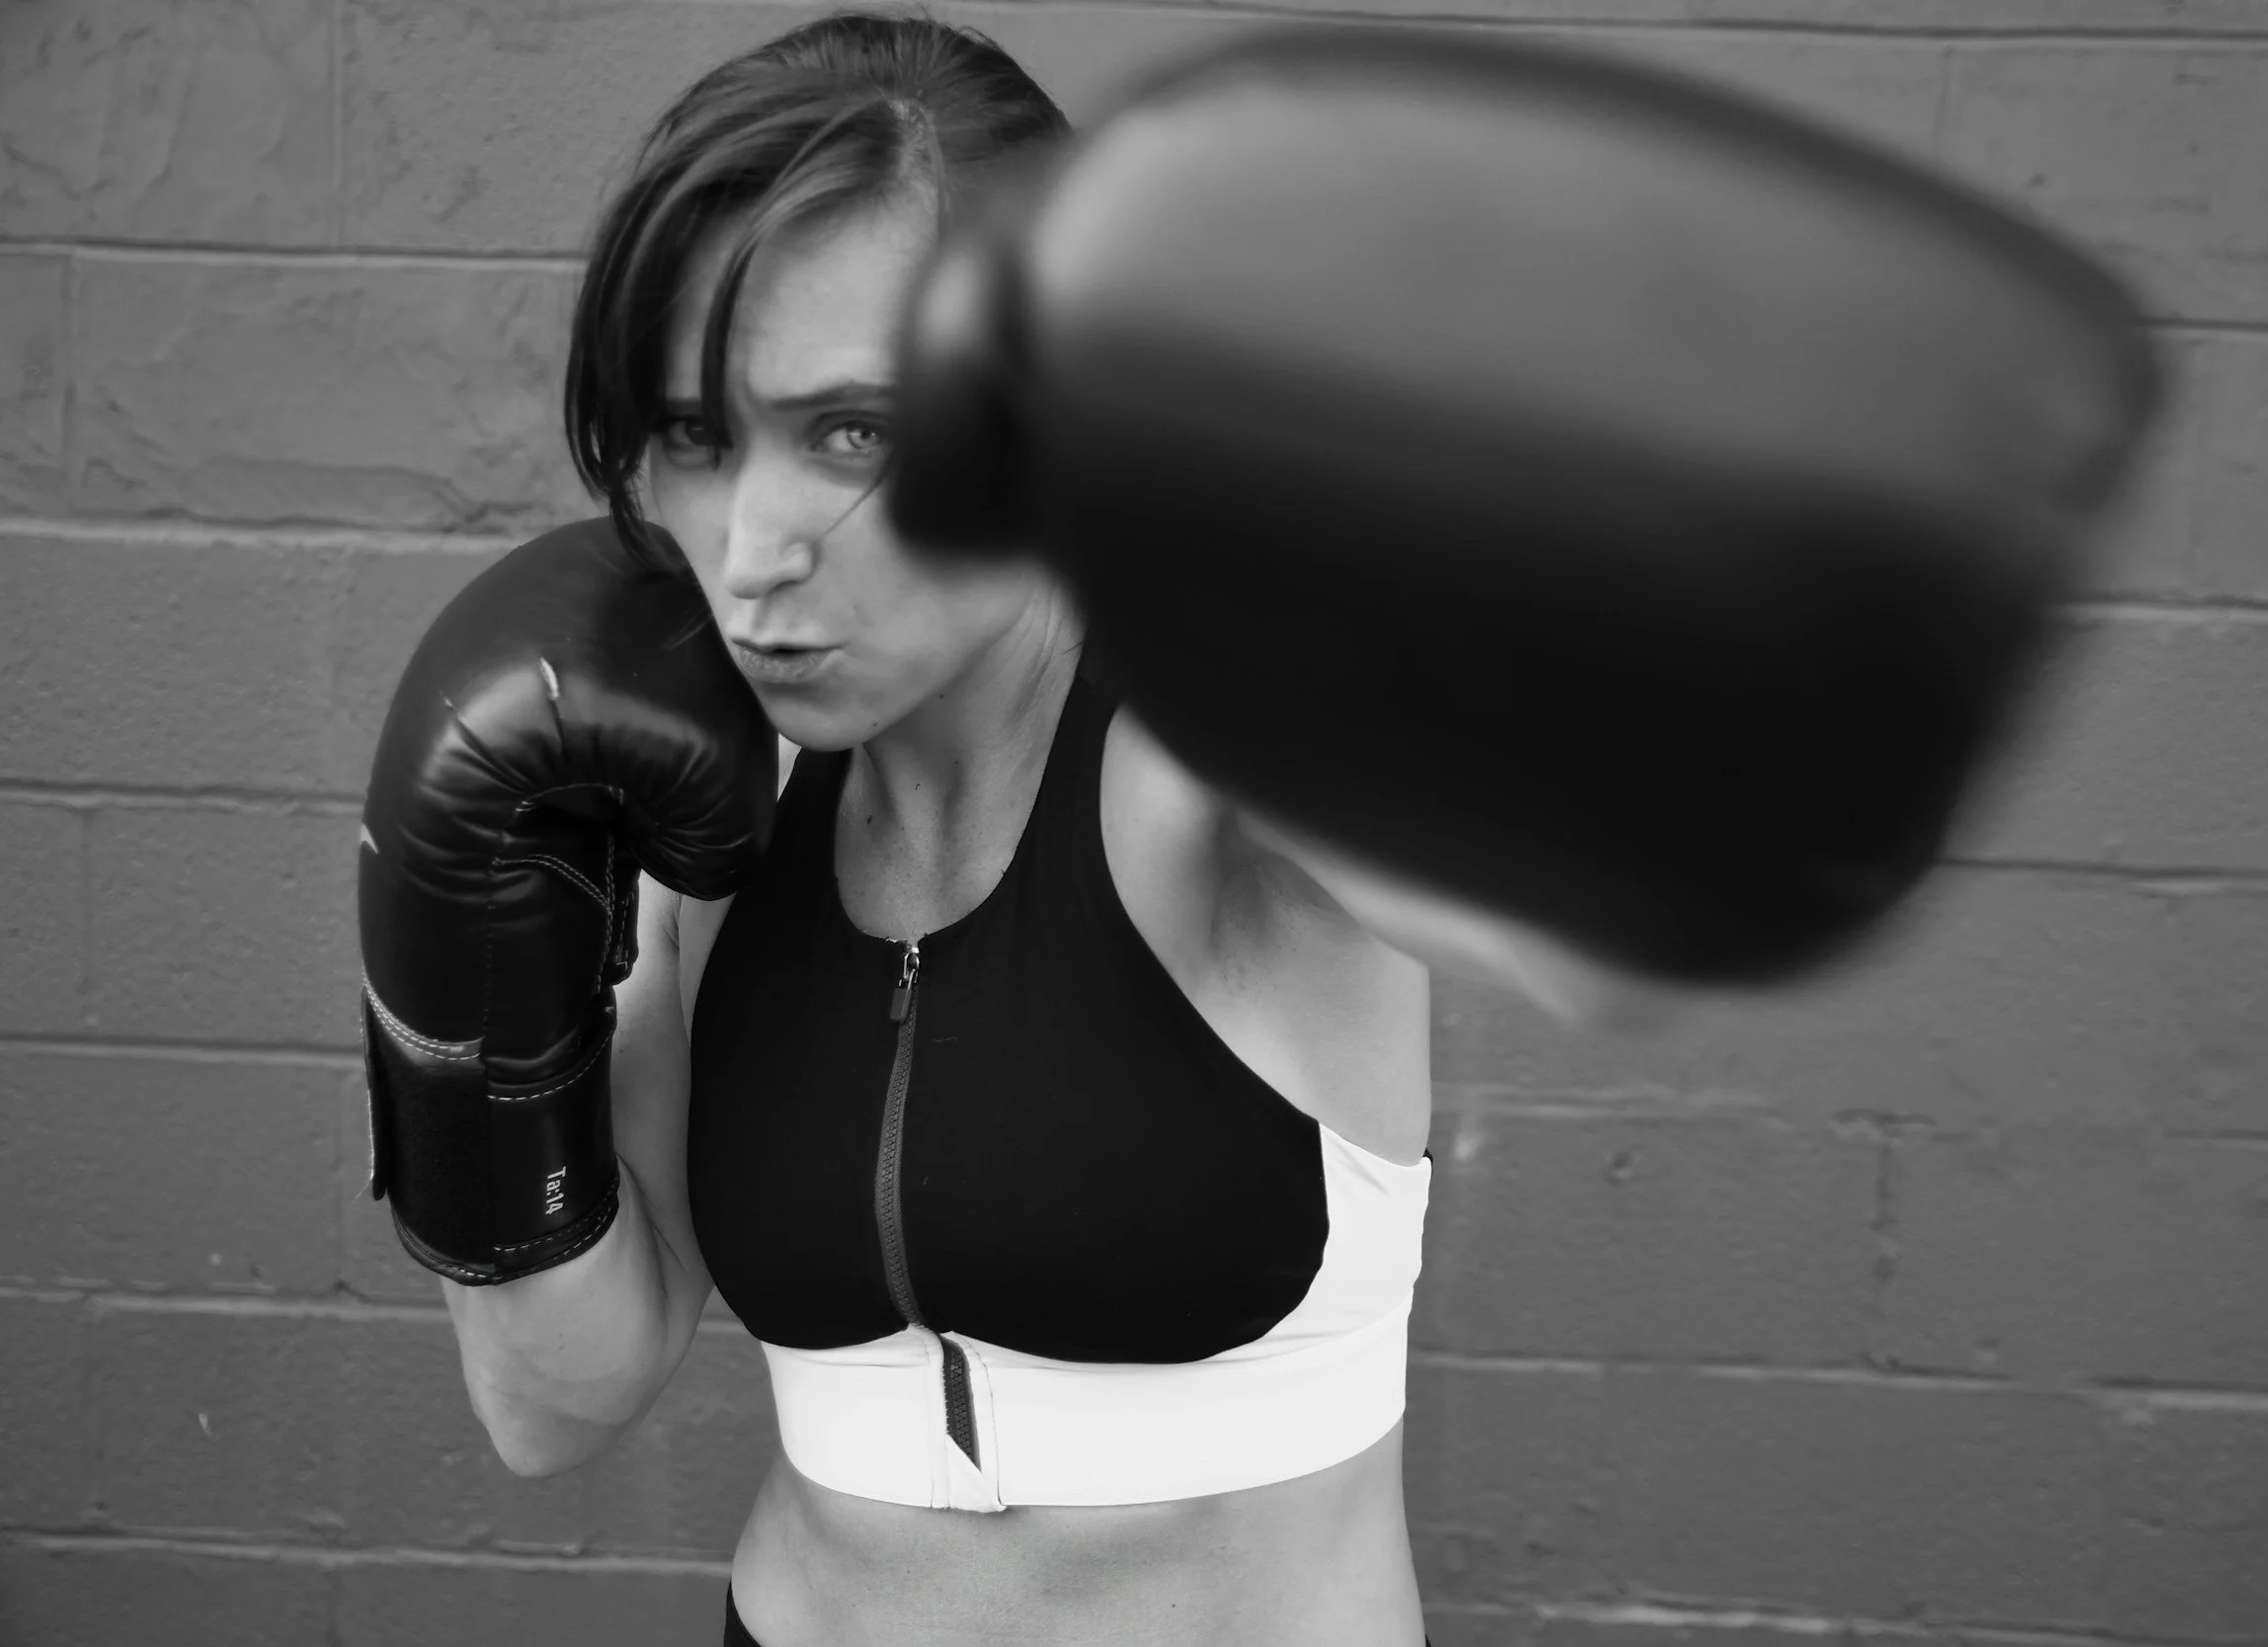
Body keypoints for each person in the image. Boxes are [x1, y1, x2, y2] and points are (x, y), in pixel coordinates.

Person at [355, 13, 2156, 1646]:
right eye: (692, 432)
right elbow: (553, 1405)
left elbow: (1585, 919)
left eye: (851, 433)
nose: (750, 552)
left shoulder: (1209, 775)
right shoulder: (700, 825)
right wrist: (456, 995)